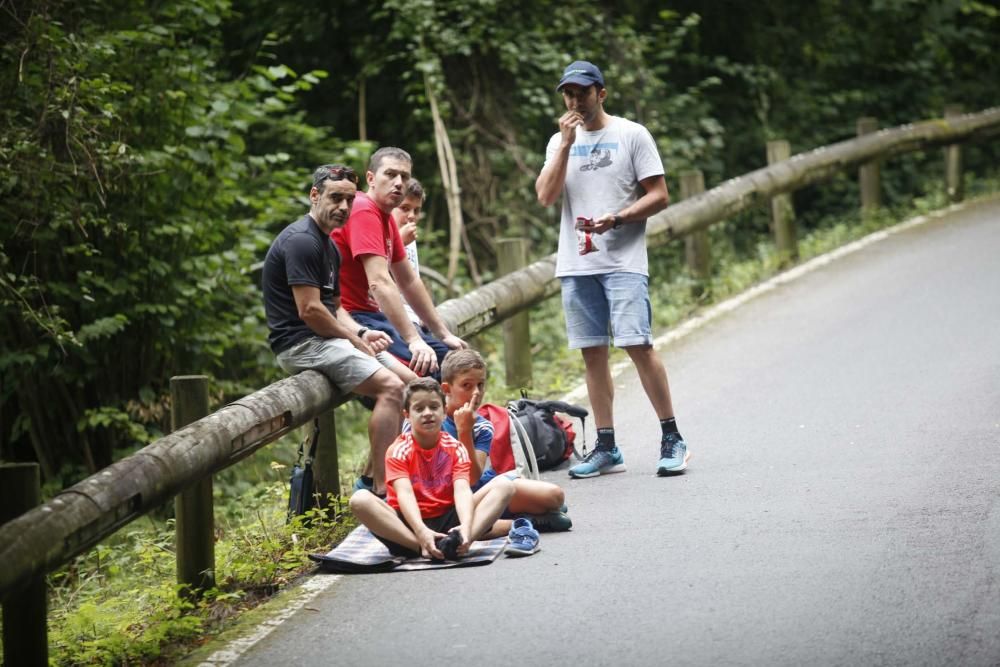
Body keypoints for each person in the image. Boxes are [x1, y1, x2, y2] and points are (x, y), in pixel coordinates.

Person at [534, 60, 691, 478]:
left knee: (638, 344)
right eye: (568, 94)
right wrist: (565, 145)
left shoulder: (631, 134)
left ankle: (672, 436)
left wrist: (619, 218)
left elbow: (659, 195)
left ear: (601, 93)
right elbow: (546, 197)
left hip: (623, 260)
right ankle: (606, 446)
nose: (575, 101)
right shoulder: (557, 143)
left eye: (582, 93)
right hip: (577, 261)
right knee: (592, 354)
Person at [261, 164, 412, 497]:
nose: (343, 207)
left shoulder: (329, 245)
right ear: (315, 195)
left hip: (325, 337)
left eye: (348, 199)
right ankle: (383, 488)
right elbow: (310, 310)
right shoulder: (303, 241)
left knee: (412, 383)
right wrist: (353, 339)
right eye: (335, 198)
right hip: (301, 343)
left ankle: (405, 474)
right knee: (390, 388)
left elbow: (336, 308)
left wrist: (361, 333)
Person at [350, 377, 538, 559]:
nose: (427, 413)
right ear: (406, 414)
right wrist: (421, 532)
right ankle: (421, 547)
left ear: (444, 410)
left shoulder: (456, 448)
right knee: (360, 500)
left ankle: (462, 542)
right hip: (409, 525)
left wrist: (465, 526)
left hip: (448, 517)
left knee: (505, 486)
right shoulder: (398, 450)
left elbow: (462, 490)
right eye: (419, 408)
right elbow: (404, 494)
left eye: (433, 407)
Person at [332, 147, 466, 379]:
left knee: (453, 362)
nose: (398, 182)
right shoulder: (363, 210)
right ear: (371, 178)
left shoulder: (386, 216)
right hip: (353, 318)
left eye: (404, 176)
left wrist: (443, 333)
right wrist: (414, 340)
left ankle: (465, 416)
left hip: (373, 315)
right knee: (427, 373)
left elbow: (409, 280)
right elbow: (380, 282)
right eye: (390, 174)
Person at [439, 349, 572, 532]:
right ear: (446, 389)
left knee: (554, 496)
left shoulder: (482, 425)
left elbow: (472, 478)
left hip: (479, 492)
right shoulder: (432, 421)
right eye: (467, 386)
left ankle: (523, 515)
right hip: (445, 501)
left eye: (481, 385)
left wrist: (465, 432)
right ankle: (527, 521)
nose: (476, 393)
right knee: (549, 505)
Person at [392, 177, 426, 327]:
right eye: (405, 208)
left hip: (413, 318)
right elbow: (374, 282)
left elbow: (413, 280)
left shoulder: (410, 237)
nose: (412, 216)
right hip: (390, 319)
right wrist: (399, 243)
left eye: (416, 210)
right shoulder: (378, 233)